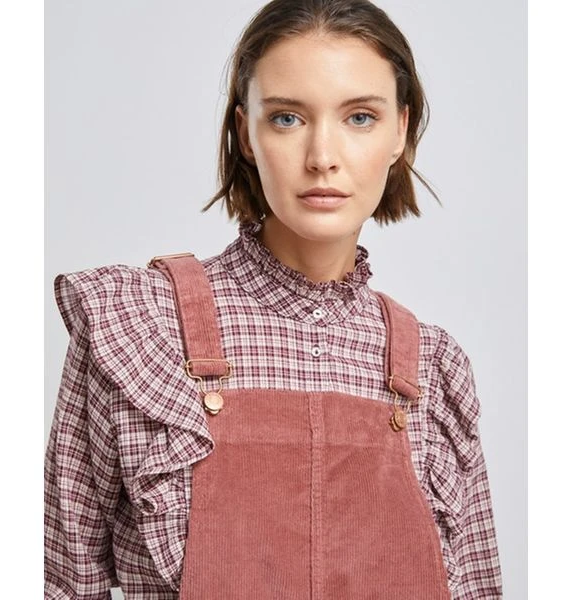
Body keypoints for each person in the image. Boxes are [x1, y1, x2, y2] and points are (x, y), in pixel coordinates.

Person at [44, 0, 503, 598]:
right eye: (287, 118)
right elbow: (61, 581)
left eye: (360, 117)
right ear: (246, 133)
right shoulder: (139, 328)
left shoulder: (435, 370)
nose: (322, 157)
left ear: (400, 131)